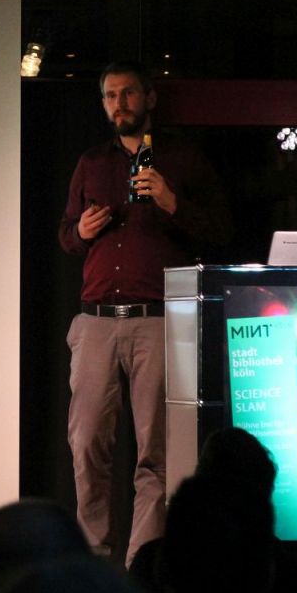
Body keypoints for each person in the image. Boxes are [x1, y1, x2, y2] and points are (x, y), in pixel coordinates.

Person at [58, 60, 231, 564]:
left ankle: (142, 562)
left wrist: (173, 203)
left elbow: (220, 231)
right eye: (110, 96)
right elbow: (66, 235)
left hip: (157, 320)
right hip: (95, 322)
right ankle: (91, 556)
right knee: (87, 442)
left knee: (153, 451)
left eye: (128, 94)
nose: (119, 104)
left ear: (149, 98)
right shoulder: (91, 162)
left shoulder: (184, 159)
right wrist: (82, 232)